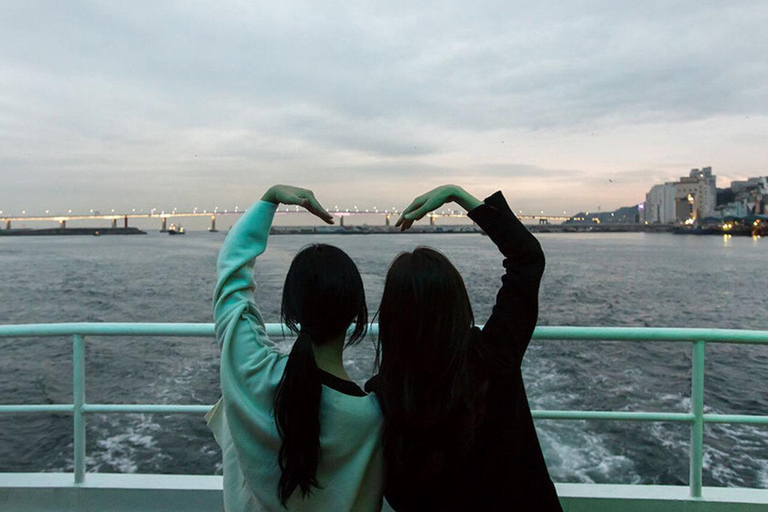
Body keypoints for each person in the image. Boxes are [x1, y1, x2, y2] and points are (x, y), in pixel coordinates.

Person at [366, 185, 562, 511]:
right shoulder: (495, 356)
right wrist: (457, 195)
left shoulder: (384, 398)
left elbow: (398, 494)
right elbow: (527, 258)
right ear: (458, 304)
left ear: (391, 320)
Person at [206, 184, 384, 512]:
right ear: (356, 315)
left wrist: (269, 198)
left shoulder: (253, 372)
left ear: (291, 312)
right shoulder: (371, 418)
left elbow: (231, 276)